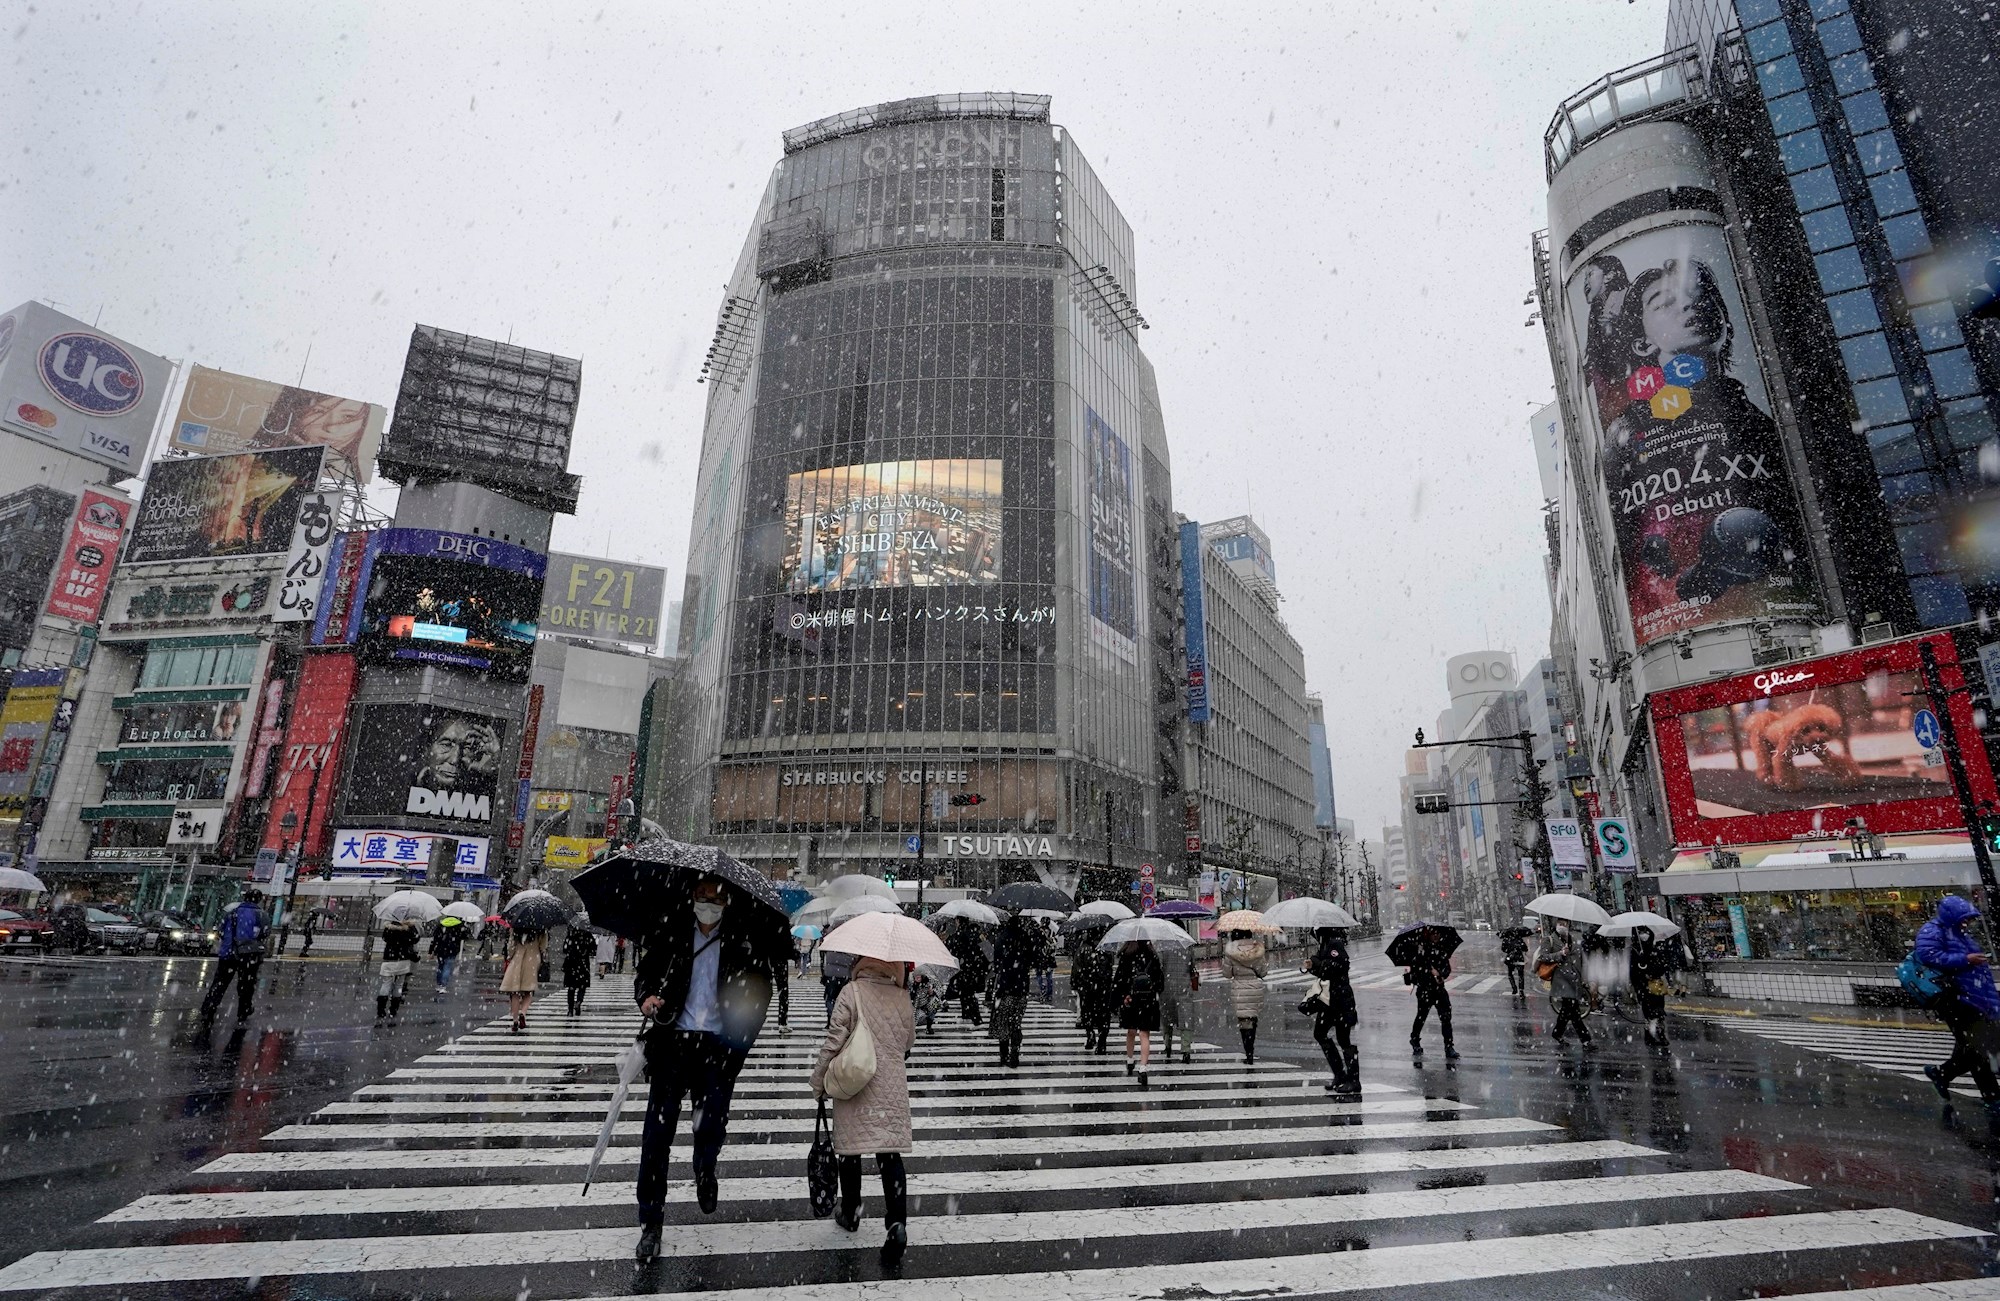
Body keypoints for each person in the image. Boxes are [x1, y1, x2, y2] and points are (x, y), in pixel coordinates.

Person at [633, 874, 786, 1262]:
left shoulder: (742, 939)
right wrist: (647, 998)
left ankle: (705, 1168)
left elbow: (760, 991)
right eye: (701, 896)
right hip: (673, 1044)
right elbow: (645, 976)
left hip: (717, 1050)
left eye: (714, 897)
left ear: (727, 902)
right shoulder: (671, 933)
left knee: (711, 1124)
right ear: (691, 897)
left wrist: (740, 1042)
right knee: (656, 1137)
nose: (707, 903)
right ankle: (651, 1222)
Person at [809, 954, 915, 1269]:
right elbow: (909, 1040)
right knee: (890, 1155)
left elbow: (833, 1042)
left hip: (856, 1082)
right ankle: (897, 1222)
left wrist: (819, 1081)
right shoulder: (902, 995)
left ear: (861, 961)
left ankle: (851, 1211)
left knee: (850, 1151)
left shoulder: (850, 992)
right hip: (891, 1086)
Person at [1917, 894, 2000, 1106]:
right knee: (1977, 1047)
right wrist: (1966, 959)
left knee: (1973, 1045)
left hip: (1974, 997)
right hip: (1956, 999)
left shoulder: (1960, 934)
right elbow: (1929, 955)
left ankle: (1942, 1073)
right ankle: (1992, 1095)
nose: (1967, 922)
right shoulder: (1934, 931)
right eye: (1964, 918)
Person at [198, 888, 268, 1025]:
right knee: (246, 985)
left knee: (219, 983)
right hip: (249, 955)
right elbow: (264, 933)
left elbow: (221, 931)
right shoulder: (261, 915)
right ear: (258, 900)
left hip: (228, 953)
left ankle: (209, 1009)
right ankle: (244, 1010)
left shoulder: (232, 913)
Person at [1305, 926, 1360, 1095]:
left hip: (1340, 1000)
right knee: (1320, 1033)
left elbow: (1336, 967)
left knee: (1343, 1039)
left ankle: (1353, 1080)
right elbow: (1323, 971)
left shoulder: (1335, 944)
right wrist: (1312, 965)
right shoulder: (1326, 944)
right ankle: (1340, 1074)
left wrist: (1316, 962)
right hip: (1329, 1000)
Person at [1113, 939, 1164, 1088]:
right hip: (1148, 999)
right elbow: (1160, 982)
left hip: (1131, 999)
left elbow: (1119, 980)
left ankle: (1130, 1060)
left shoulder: (1126, 955)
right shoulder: (1152, 955)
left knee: (1131, 1030)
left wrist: (1123, 996)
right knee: (1144, 1033)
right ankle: (1143, 1068)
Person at [989, 914, 1035, 1067]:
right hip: (1021, 989)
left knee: (1003, 1023)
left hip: (1005, 988)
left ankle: (1004, 1055)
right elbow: (1031, 960)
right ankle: (1015, 1053)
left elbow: (997, 964)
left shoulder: (1002, 938)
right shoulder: (1025, 938)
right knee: (1016, 1023)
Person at [1403, 932, 1458, 1061]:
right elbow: (1415, 972)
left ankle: (1449, 1046)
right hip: (1424, 990)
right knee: (1421, 1017)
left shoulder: (1441, 950)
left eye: (1438, 934)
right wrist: (1426, 971)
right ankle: (1415, 1039)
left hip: (1439, 990)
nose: (1436, 937)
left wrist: (1440, 974)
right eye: (1434, 934)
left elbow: (1447, 968)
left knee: (1446, 1017)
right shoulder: (1420, 952)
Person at [1538, 921, 1593, 1049]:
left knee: (1569, 1010)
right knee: (1572, 1009)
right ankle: (1585, 1040)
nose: (1563, 926)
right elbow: (1543, 957)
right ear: (1556, 925)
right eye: (1560, 923)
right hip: (1561, 980)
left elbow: (1580, 959)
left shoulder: (1573, 939)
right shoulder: (1549, 939)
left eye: (1565, 923)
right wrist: (1560, 954)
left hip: (1575, 979)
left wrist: (1584, 977)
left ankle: (1558, 1033)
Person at [1221, 928, 1269, 1064]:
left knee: (1244, 1022)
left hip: (1239, 989)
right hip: (1255, 988)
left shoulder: (1231, 951)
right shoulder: (1258, 950)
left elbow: (1227, 974)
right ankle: (1251, 1049)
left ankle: (1248, 1053)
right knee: (1253, 1019)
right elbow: (1263, 972)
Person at [1628, 926, 1671, 1047]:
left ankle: (1661, 1035)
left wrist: (1654, 971)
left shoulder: (1655, 949)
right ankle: (1650, 1036)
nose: (1644, 935)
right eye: (1641, 932)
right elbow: (1634, 973)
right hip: (1643, 987)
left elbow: (1663, 966)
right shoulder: (1635, 951)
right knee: (1649, 1014)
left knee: (1659, 1012)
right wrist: (1638, 987)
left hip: (1656, 986)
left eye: (1646, 932)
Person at [1072, 932, 1116, 1053]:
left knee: (1087, 1012)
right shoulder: (1106, 949)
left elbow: (1076, 970)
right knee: (1103, 1015)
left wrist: (1076, 984)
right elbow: (1110, 969)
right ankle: (1102, 1041)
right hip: (1103, 989)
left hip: (1087, 988)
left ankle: (1090, 1034)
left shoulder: (1082, 949)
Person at [501, 925, 547, 1034]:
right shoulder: (540, 928)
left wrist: (510, 956)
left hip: (517, 959)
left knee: (515, 992)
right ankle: (523, 1013)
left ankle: (515, 1020)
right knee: (528, 990)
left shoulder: (516, 927)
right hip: (532, 959)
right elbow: (543, 947)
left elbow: (511, 947)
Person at [1157, 940, 1198, 1064]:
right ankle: (1186, 1049)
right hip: (1184, 987)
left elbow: (1159, 967)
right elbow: (1192, 966)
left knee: (1166, 1018)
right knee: (1186, 1018)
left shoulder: (1162, 946)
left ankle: (1168, 1045)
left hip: (1167, 988)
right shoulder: (1187, 947)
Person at [376, 916, 420, 1024]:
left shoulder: (389, 927)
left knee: (386, 984)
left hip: (389, 959)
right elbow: (415, 939)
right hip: (403, 959)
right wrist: (410, 928)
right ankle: (393, 1010)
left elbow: (385, 938)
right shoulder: (409, 928)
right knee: (399, 985)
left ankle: (381, 1010)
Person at [943, 920, 987, 1025]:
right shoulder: (977, 936)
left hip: (963, 969)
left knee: (966, 993)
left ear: (959, 921)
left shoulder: (959, 935)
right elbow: (986, 953)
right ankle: (968, 1014)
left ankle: (974, 1017)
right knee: (968, 992)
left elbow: (953, 950)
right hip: (974, 970)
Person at [562, 923, 597, 1016]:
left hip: (571, 964)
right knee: (582, 986)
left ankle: (570, 1009)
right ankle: (578, 1001)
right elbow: (593, 949)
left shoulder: (571, 934)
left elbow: (564, 949)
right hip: (583, 964)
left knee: (571, 988)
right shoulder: (587, 935)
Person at [431, 918, 465, 993]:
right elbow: (463, 938)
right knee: (447, 967)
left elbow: (435, 939)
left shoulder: (441, 925)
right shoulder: (458, 926)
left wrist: (431, 951)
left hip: (441, 949)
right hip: (452, 950)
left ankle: (439, 984)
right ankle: (443, 985)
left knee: (440, 966)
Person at [1031, 920, 1057, 1002]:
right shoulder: (1052, 932)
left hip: (1040, 957)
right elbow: (1055, 944)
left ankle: (1043, 989)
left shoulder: (1037, 932)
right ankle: (1049, 993)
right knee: (1049, 976)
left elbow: (1034, 944)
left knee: (1039, 975)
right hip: (1049, 958)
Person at [1500, 927, 1529, 999]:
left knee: (1510, 974)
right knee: (1521, 975)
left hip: (1511, 959)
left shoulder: (1506, 939)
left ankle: (1514, 988)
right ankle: (1521, 990)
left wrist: (1509, 951)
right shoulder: (1519, 939)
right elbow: (1525, 948)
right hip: (1519, 958)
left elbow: (1503, 949)